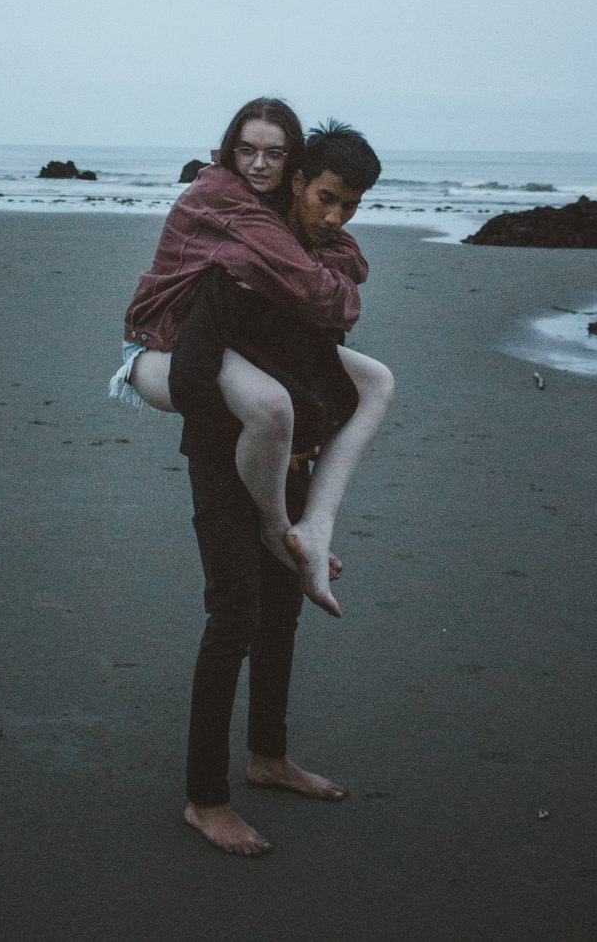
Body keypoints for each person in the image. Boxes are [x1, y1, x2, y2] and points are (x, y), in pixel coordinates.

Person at [113, 107, 394, 854]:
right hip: (224, 458)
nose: (333, 216)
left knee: (281, 612)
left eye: (347, 206)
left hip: (285, 457)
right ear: (296, 181)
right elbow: (199, 379)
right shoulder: (237, 256)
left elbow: (318, 361)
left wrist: (299, 451)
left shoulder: (314, 256)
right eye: (324, 198)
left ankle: (268, 757)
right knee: (233, 618)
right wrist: (247, 459)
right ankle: (205, 800)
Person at [113, 98, 371, 608]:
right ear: (230, 150)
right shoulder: (222, 194)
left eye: (274, 154)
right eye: (247, 150)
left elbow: (346, 255)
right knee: (270, 406)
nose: (258, 164)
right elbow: (312, 285)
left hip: (212, 342)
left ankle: (317, 526)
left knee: (378, 382)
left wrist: (333, 275)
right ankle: (279, 531)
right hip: (157, 347)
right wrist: (340, 291)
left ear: (292, 165)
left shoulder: (275, 204)